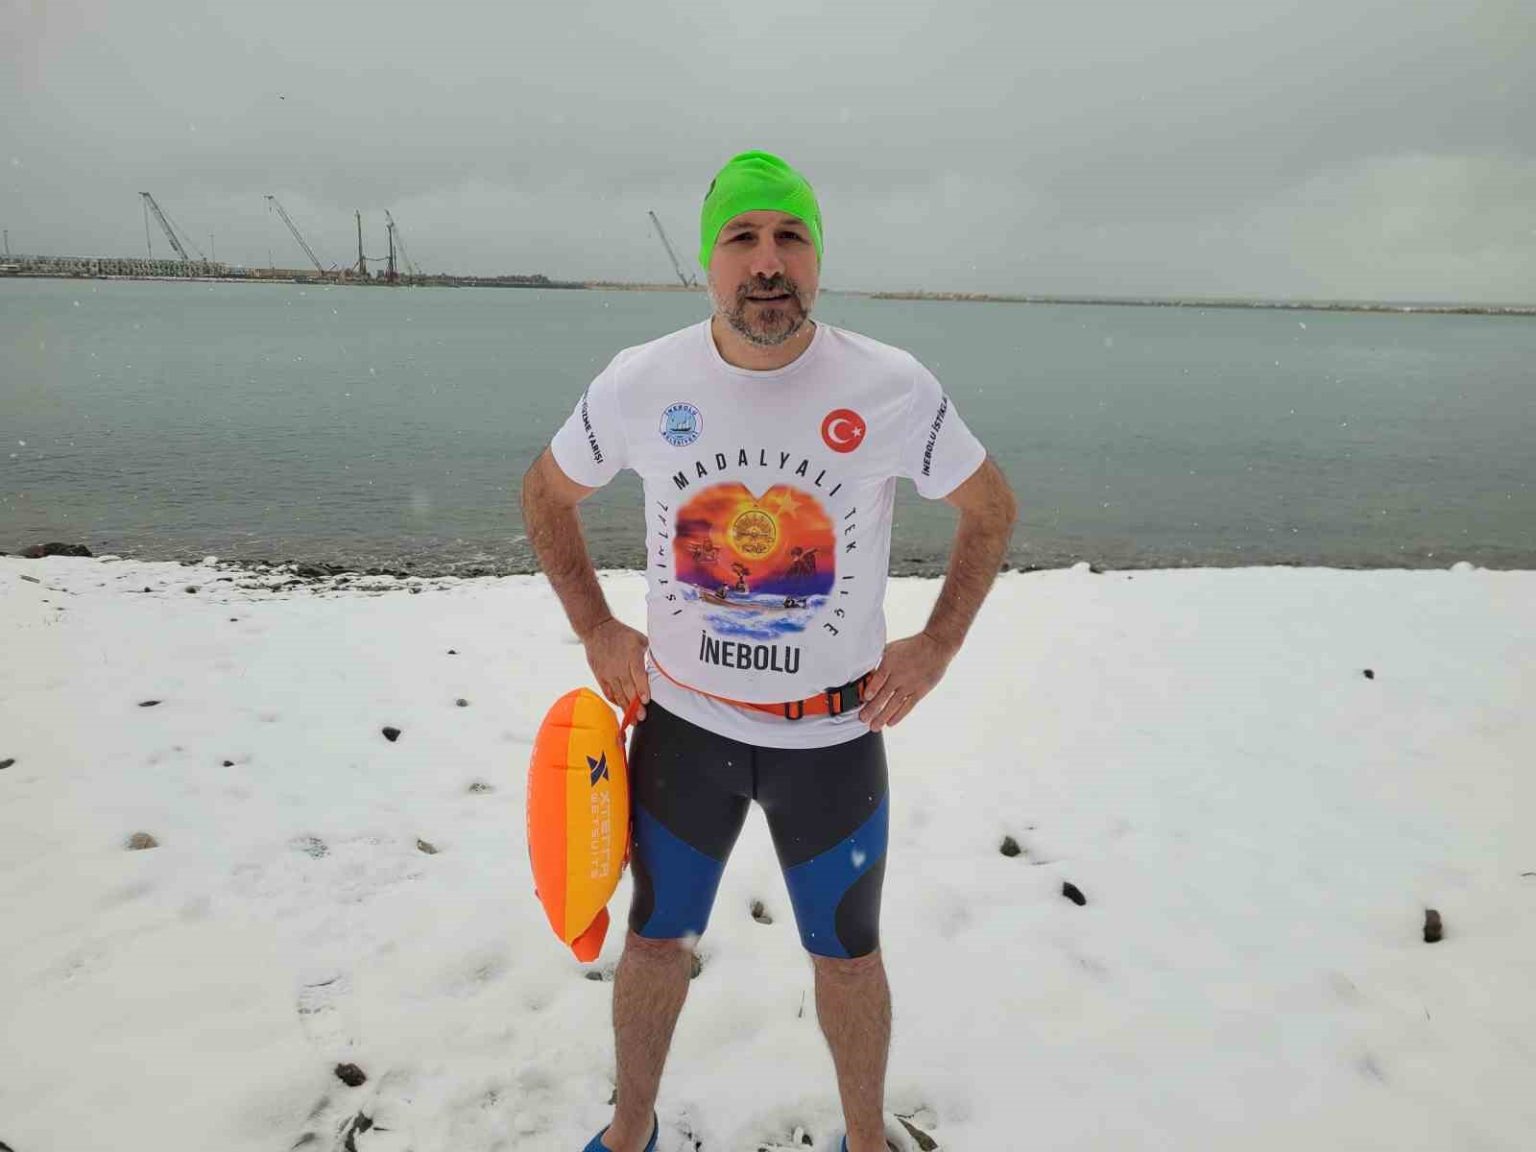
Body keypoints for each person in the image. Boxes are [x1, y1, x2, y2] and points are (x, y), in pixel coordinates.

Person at [521, 151, 1017, 1152]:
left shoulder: (889, 387)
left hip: (831, 742)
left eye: (790, 237)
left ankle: (865, 1141)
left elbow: (991, 508)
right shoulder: (642, 383)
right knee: (654, 941)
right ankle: (629, 1132)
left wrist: (937, 646)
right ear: (709, 261)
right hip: (685, 732)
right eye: (742, 238)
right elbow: (545, 493)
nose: (767, 261)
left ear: (817, 258)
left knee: (848, 955)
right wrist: (598, 628)